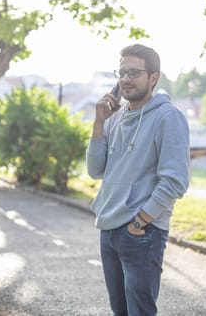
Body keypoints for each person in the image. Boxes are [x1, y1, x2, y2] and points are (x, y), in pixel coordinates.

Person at [86, 44, 190, 316]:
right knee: (119, 311)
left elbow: (175, 181)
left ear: (153, 78)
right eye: (121, 72)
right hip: (108, 229)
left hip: (141, 232)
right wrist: (98, 123)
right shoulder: (114, 118)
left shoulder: (169, 118)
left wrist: (140, 221)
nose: (126, 79)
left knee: (140, 312)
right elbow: (96, 170)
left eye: (134, 72)